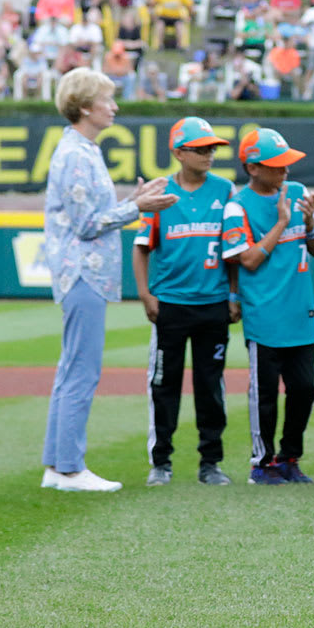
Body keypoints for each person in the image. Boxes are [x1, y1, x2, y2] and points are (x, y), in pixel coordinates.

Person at [41, 70, 174, 493]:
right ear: (85, 107)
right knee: (82, 370)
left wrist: (134, 200)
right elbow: (85, 225)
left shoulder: (82, 149)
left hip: (81, 269)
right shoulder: (78, 155)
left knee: (72, 369)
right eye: (107, 99)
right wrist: (138, 207)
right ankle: (68, 468)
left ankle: (58, 465)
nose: (114, 106)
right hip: (83, 270)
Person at [133, 117, 234, 487]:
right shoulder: (160, 193)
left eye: (212, 148)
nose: (209, 154)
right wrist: (146, 294)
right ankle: (161, 462)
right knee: (164, 385)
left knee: (211, 385)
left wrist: (234, 294)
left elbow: (234, 247)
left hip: (213, 302)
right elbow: (142, 248)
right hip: (171, 303)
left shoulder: (225, 190)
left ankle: (211, 462)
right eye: (201, 148)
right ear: (178, 152)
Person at [224, 128, 314, 485]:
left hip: (300, 312)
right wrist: (282, 222)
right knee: (264, 395)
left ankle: (289, 458)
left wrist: (309, 222)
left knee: (304, 390)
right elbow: (248, 260)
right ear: (252, 167)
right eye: (276, 165)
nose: (284, 171)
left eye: (286, 165)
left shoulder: (296, 194)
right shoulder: (238, 205)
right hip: (263, 313)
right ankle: (261, 464)